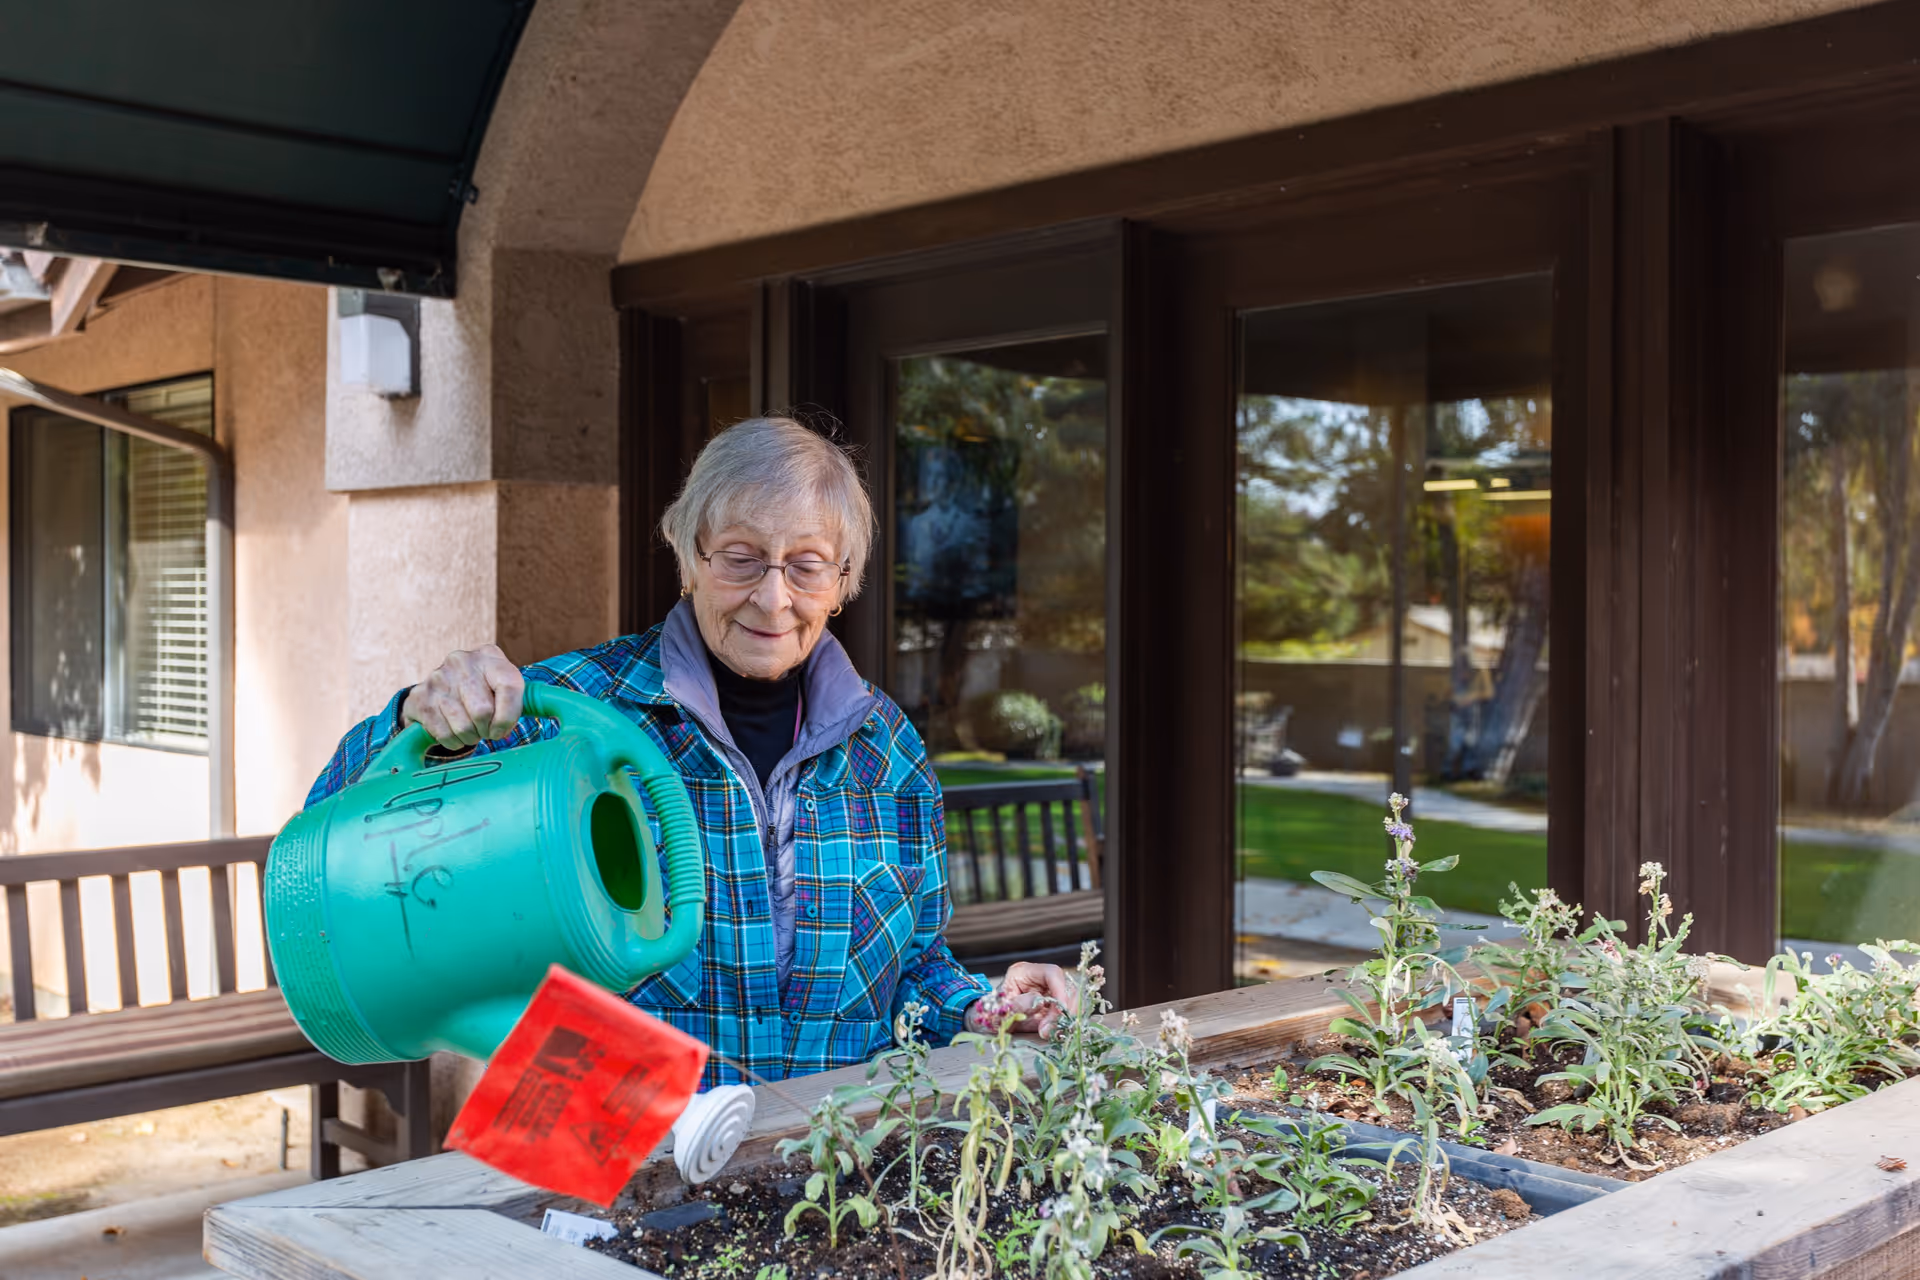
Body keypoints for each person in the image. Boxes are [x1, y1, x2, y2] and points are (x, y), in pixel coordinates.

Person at [305, 416, 1076, 1086]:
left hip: (826, 1164)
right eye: (741, 557)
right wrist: (419, 716)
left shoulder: (890, 753)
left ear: (843, 581)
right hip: (603, 1153)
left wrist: (988, 1004)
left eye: (806, 565)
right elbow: (334, 841)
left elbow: (911, 971)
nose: (773, 597)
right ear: (688, 556)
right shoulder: (567, 715)